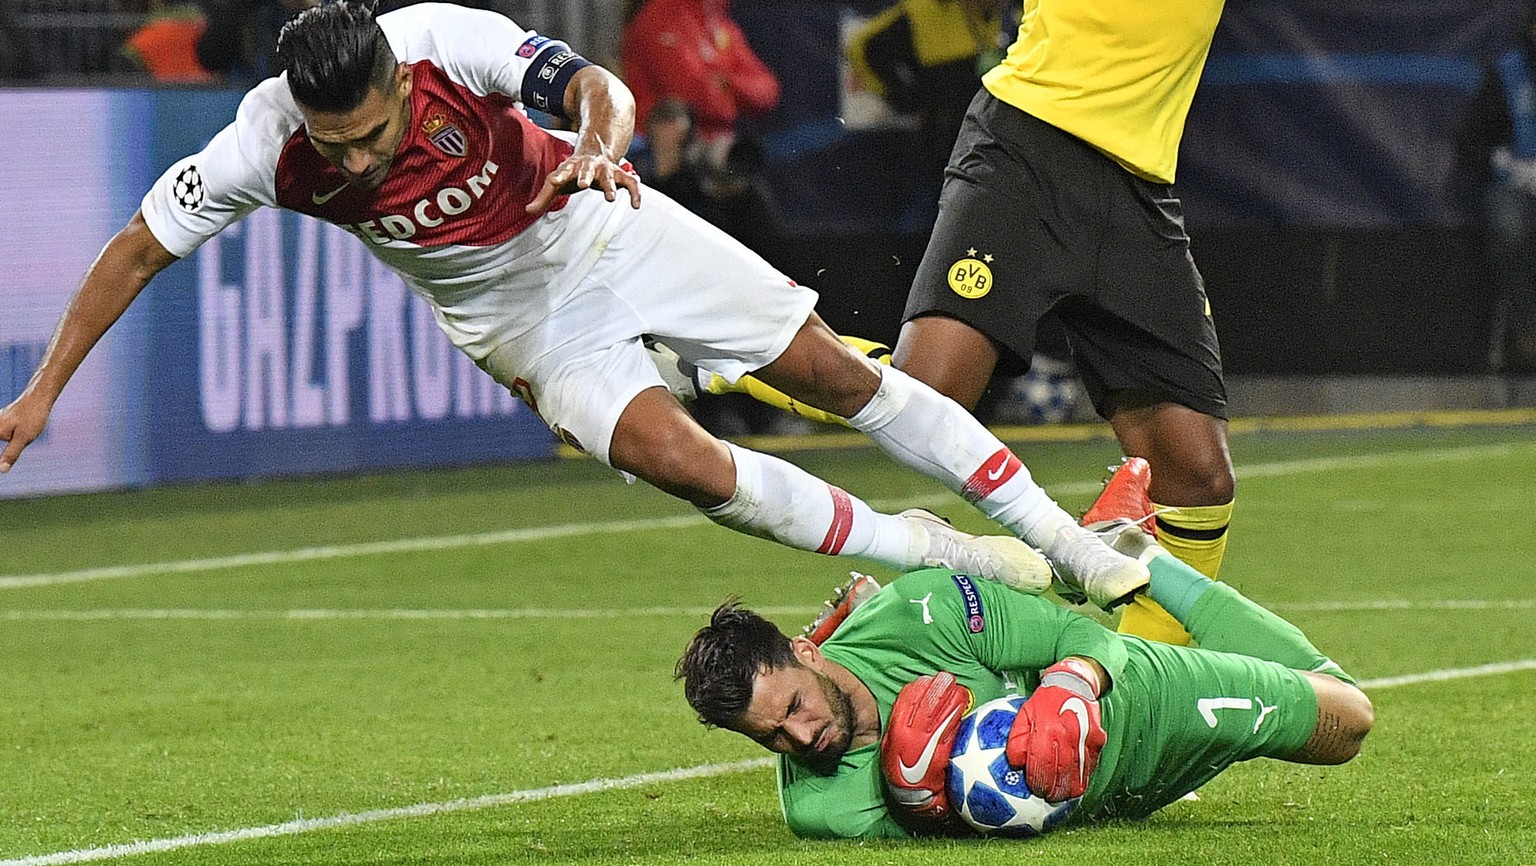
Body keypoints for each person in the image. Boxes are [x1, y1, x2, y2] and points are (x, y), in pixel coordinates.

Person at [0, 1, 1148, 606]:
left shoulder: (444, 40)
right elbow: (135, 248)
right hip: (521, 322)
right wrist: (44, 390)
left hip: (596, 217)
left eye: (368, 135)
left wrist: (598, 148)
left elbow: (597, 86)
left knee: (833, 374)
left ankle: (1064, 539)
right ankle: (930, 549)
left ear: (400, 83)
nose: (348, 163)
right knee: (689, 468)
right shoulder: (264, 142)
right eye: (328, 143)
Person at [677, 0, 1239, 648]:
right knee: (926, 397)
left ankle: (1139, 685)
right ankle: (721, 363)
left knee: (1195, 475)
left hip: (1140, 190)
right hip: (1029, 149)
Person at [676, 460, 1373, 839]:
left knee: (1346, 719)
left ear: (808, 653)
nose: (804, 736)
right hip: (1112, 799)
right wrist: (914, 791)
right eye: (772, 738)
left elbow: (1087, 637)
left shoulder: (924, 612)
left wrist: (1069, 686)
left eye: (795, 704)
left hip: (1139, 704)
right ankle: (1114, 546)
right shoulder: (818, 809)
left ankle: (1137, 552)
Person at [1457, 9, 1536, 375]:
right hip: (1514, 187)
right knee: (1513, 232)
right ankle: (1528, 325)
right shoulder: (1506, 74)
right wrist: (1507, 164)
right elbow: (1470, 145)